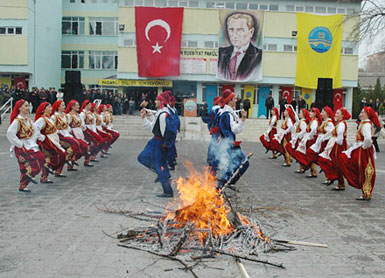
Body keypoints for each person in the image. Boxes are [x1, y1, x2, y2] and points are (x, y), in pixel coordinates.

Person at [137, 91, 175, 198]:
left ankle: (167, 191)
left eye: (157, 100)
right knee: (143, 157)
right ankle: (161, 173)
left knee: (160, 165)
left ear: (162, 101)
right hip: (156, 141)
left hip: (160, 143)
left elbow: (162, 132)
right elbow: (154, 127)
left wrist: (164, 146)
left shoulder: (163, 114)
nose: (155, 101)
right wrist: (147, 116)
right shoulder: (161, 112)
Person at [339, 106, 381, 201]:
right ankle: (364, 190)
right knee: (361, 168)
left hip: (363, 150)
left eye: (363, 113)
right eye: (361, 112)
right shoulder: (364, 124)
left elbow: (368, 139)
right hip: (361, 148)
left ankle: (366, 191)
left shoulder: (366, 125)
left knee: (364, 169)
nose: (360, 114)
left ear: (367, 114)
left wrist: (363, 147)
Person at [7, 99, 45, 192]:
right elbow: (10, 133)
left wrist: (37, 139)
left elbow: (35, 130)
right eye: (26, 106)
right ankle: (26, 180)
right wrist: (19, 143)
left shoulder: (29, 120)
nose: (28, 108)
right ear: (20, 108)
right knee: (33, 161)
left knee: (39, 159)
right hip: (21, 147)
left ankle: (24, 183)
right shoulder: (17, 121)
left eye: (28, 106)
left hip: (29, 145)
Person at [217, 89, 249, 188]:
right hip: (229, 144)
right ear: (229, 100)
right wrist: (243, 119)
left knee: (228, 166)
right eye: (234, 99)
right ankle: (227, 183)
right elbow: (235, 130)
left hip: (226, 143)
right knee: (244, 163)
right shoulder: (227, 115)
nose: (236, 100)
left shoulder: (226, 113)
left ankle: (223, 185)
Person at [217, 12, 262, 81]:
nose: (234, 35)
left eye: (240, 30)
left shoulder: (258, 55)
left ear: (251, 32)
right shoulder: (221, 52)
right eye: (231, 30)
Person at [319, 108, 351, 189]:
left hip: (338, 145)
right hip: (335, 143)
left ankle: (340, 182)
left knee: (337, 162)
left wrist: (337, 143)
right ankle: (335, 178)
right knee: (331, 161)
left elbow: (340, 135)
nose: (335, 114)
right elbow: (331, 133)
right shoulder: (339, 123)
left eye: (337, 113)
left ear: (342, 115)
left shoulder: (341, 124)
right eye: (336, 113)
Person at [34, 102, 67, 182]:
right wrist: (41, 137)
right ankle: (49, 168)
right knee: (60, 154)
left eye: (50, 107)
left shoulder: (50, 118)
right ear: (43, 109)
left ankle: (45, 176)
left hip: (54, 139)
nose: (51, 108)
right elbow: (35, 128)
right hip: (48, 140)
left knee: (51, 157)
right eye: (48, 107)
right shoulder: (42, 119)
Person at [51, 100, 82, 171]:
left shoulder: (65, 116)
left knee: (77, 145)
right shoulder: (54, 117)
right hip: (60, 136)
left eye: (64, 105)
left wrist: (70, 130)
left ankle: (60, 169)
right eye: (62, 105)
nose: (64, 107)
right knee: (75, 144)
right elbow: (53, 127)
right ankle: (67, 158)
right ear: (58, 107)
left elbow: (67, 125)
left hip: (67, 135)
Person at [305, 106, 335, 178]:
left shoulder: (329, 122)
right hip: (319, 141)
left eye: (323, 112)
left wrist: (324, 138)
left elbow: (331, 132)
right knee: (311, 153)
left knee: (323, 159)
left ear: (327, 113)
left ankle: (329, 175)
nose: (321, 114)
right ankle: (314, 168)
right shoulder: (325, 122)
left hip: (324, 142)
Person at [295, 107, 322, 176]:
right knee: (308, 154)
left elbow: (313, 130)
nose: (310, 113)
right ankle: (311, 170)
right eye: (310, 112)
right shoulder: (312, 121)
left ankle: (312, 170)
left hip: (312, 138)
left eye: (311, 112)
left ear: (315, 114)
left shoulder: (315, 121)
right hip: (310, 138)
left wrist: (309, 136)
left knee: (310, 154)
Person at [66, 100, 93, 167]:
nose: (79, 106)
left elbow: (82, 124)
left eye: (78, 105)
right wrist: (70, 131)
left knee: (81, 149)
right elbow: (66, 125)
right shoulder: (69, 115)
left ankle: (72, 162)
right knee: (83, 147)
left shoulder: (78, 115)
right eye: (77, 105)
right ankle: (71, 160)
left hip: (80, 132)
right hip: (74, 132)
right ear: (72, 106)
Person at [202, 96, 222, 174]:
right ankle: (214, 163)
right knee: (216, 147)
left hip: (215, 131)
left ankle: (211, 161)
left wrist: (203, 111)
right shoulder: (218, 109)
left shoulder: (214, 110)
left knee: (213, 146)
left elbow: (206, 119)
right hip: (218, 132)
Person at [286, 108, 310, 173]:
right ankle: (301, 165)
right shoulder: (301, 121)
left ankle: (303, 165)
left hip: (300, 139)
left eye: (300, 113)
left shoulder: (303, 122)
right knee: (291, 149)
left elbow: (304, 130)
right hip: (297, 138)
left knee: (298, 153)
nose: (299, 114)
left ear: (304, 114)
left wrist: (298, 136)